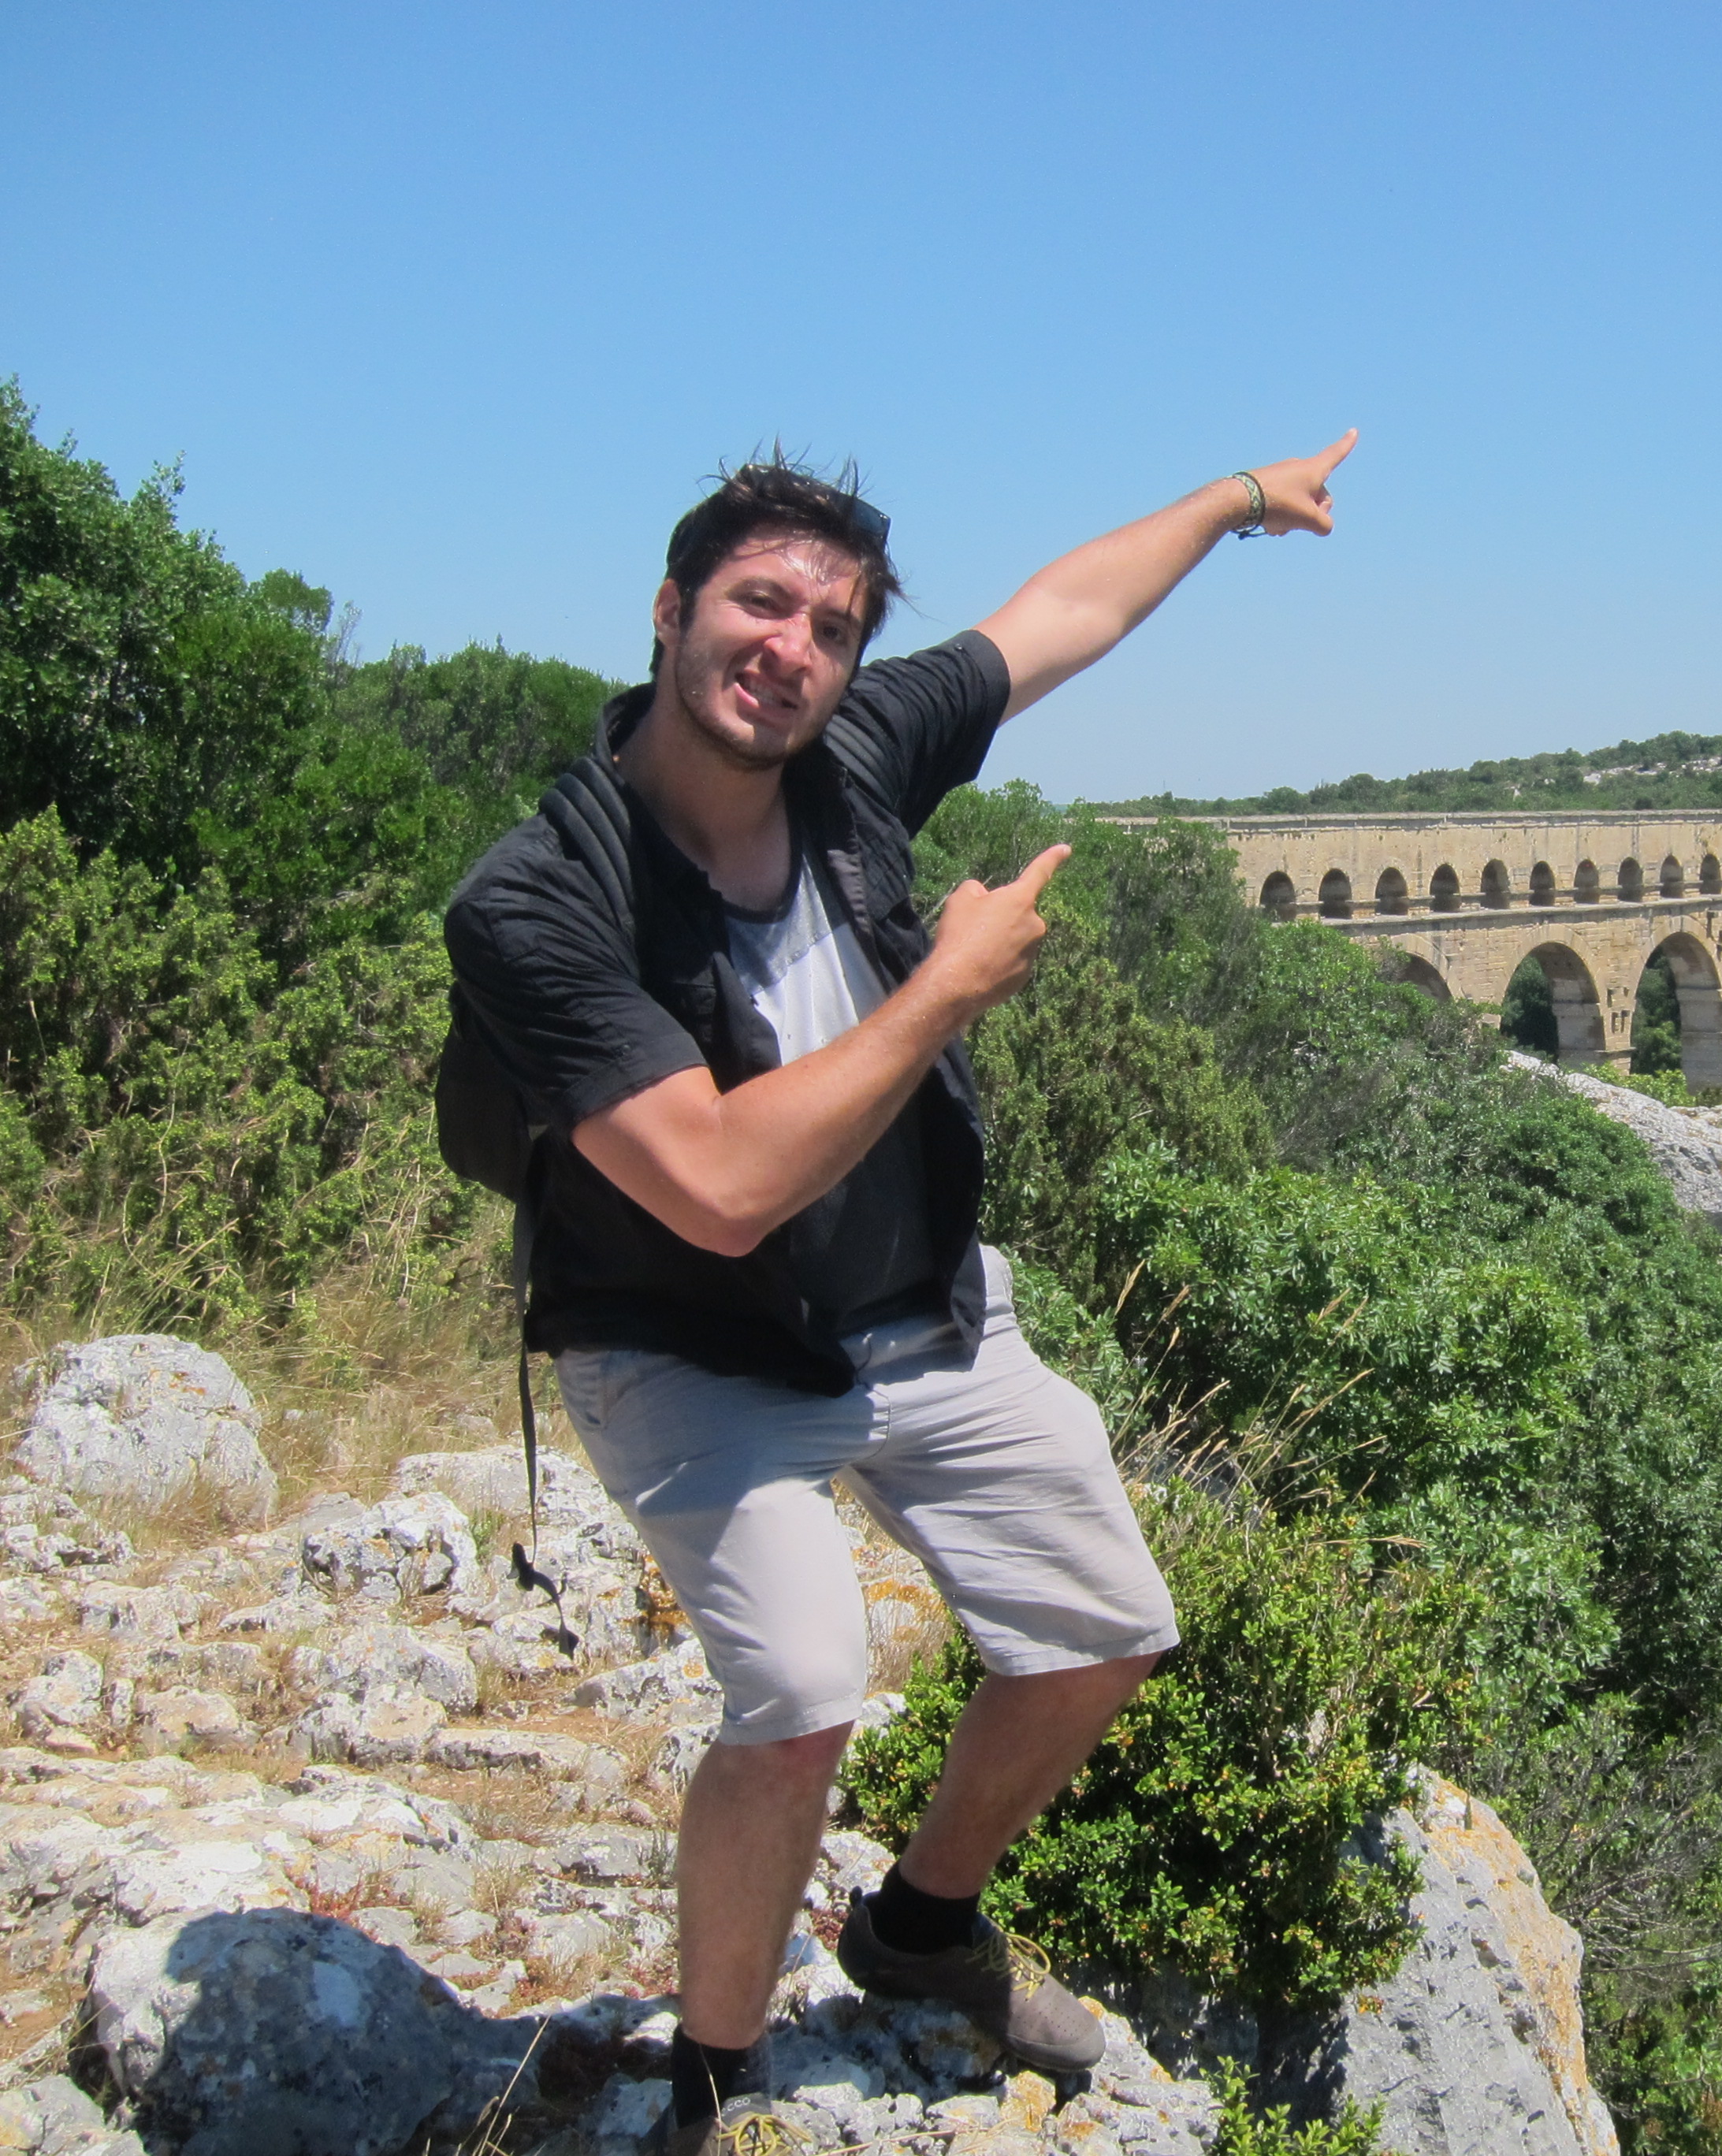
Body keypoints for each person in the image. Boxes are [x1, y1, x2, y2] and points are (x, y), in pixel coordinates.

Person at [441, 431, 1356, 2155]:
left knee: (1101, 1630)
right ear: (669, 611)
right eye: (758, 603)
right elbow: (712, 1187)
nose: (792, 647)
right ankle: (715, 2079)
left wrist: (1238, 502)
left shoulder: (851, 759)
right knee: (797, 1697)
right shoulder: (537, 902)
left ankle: (919, 1928)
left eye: (831, 625)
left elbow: (1058, 613)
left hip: (916, 1303)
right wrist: (946, 989)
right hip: (692, 1345)